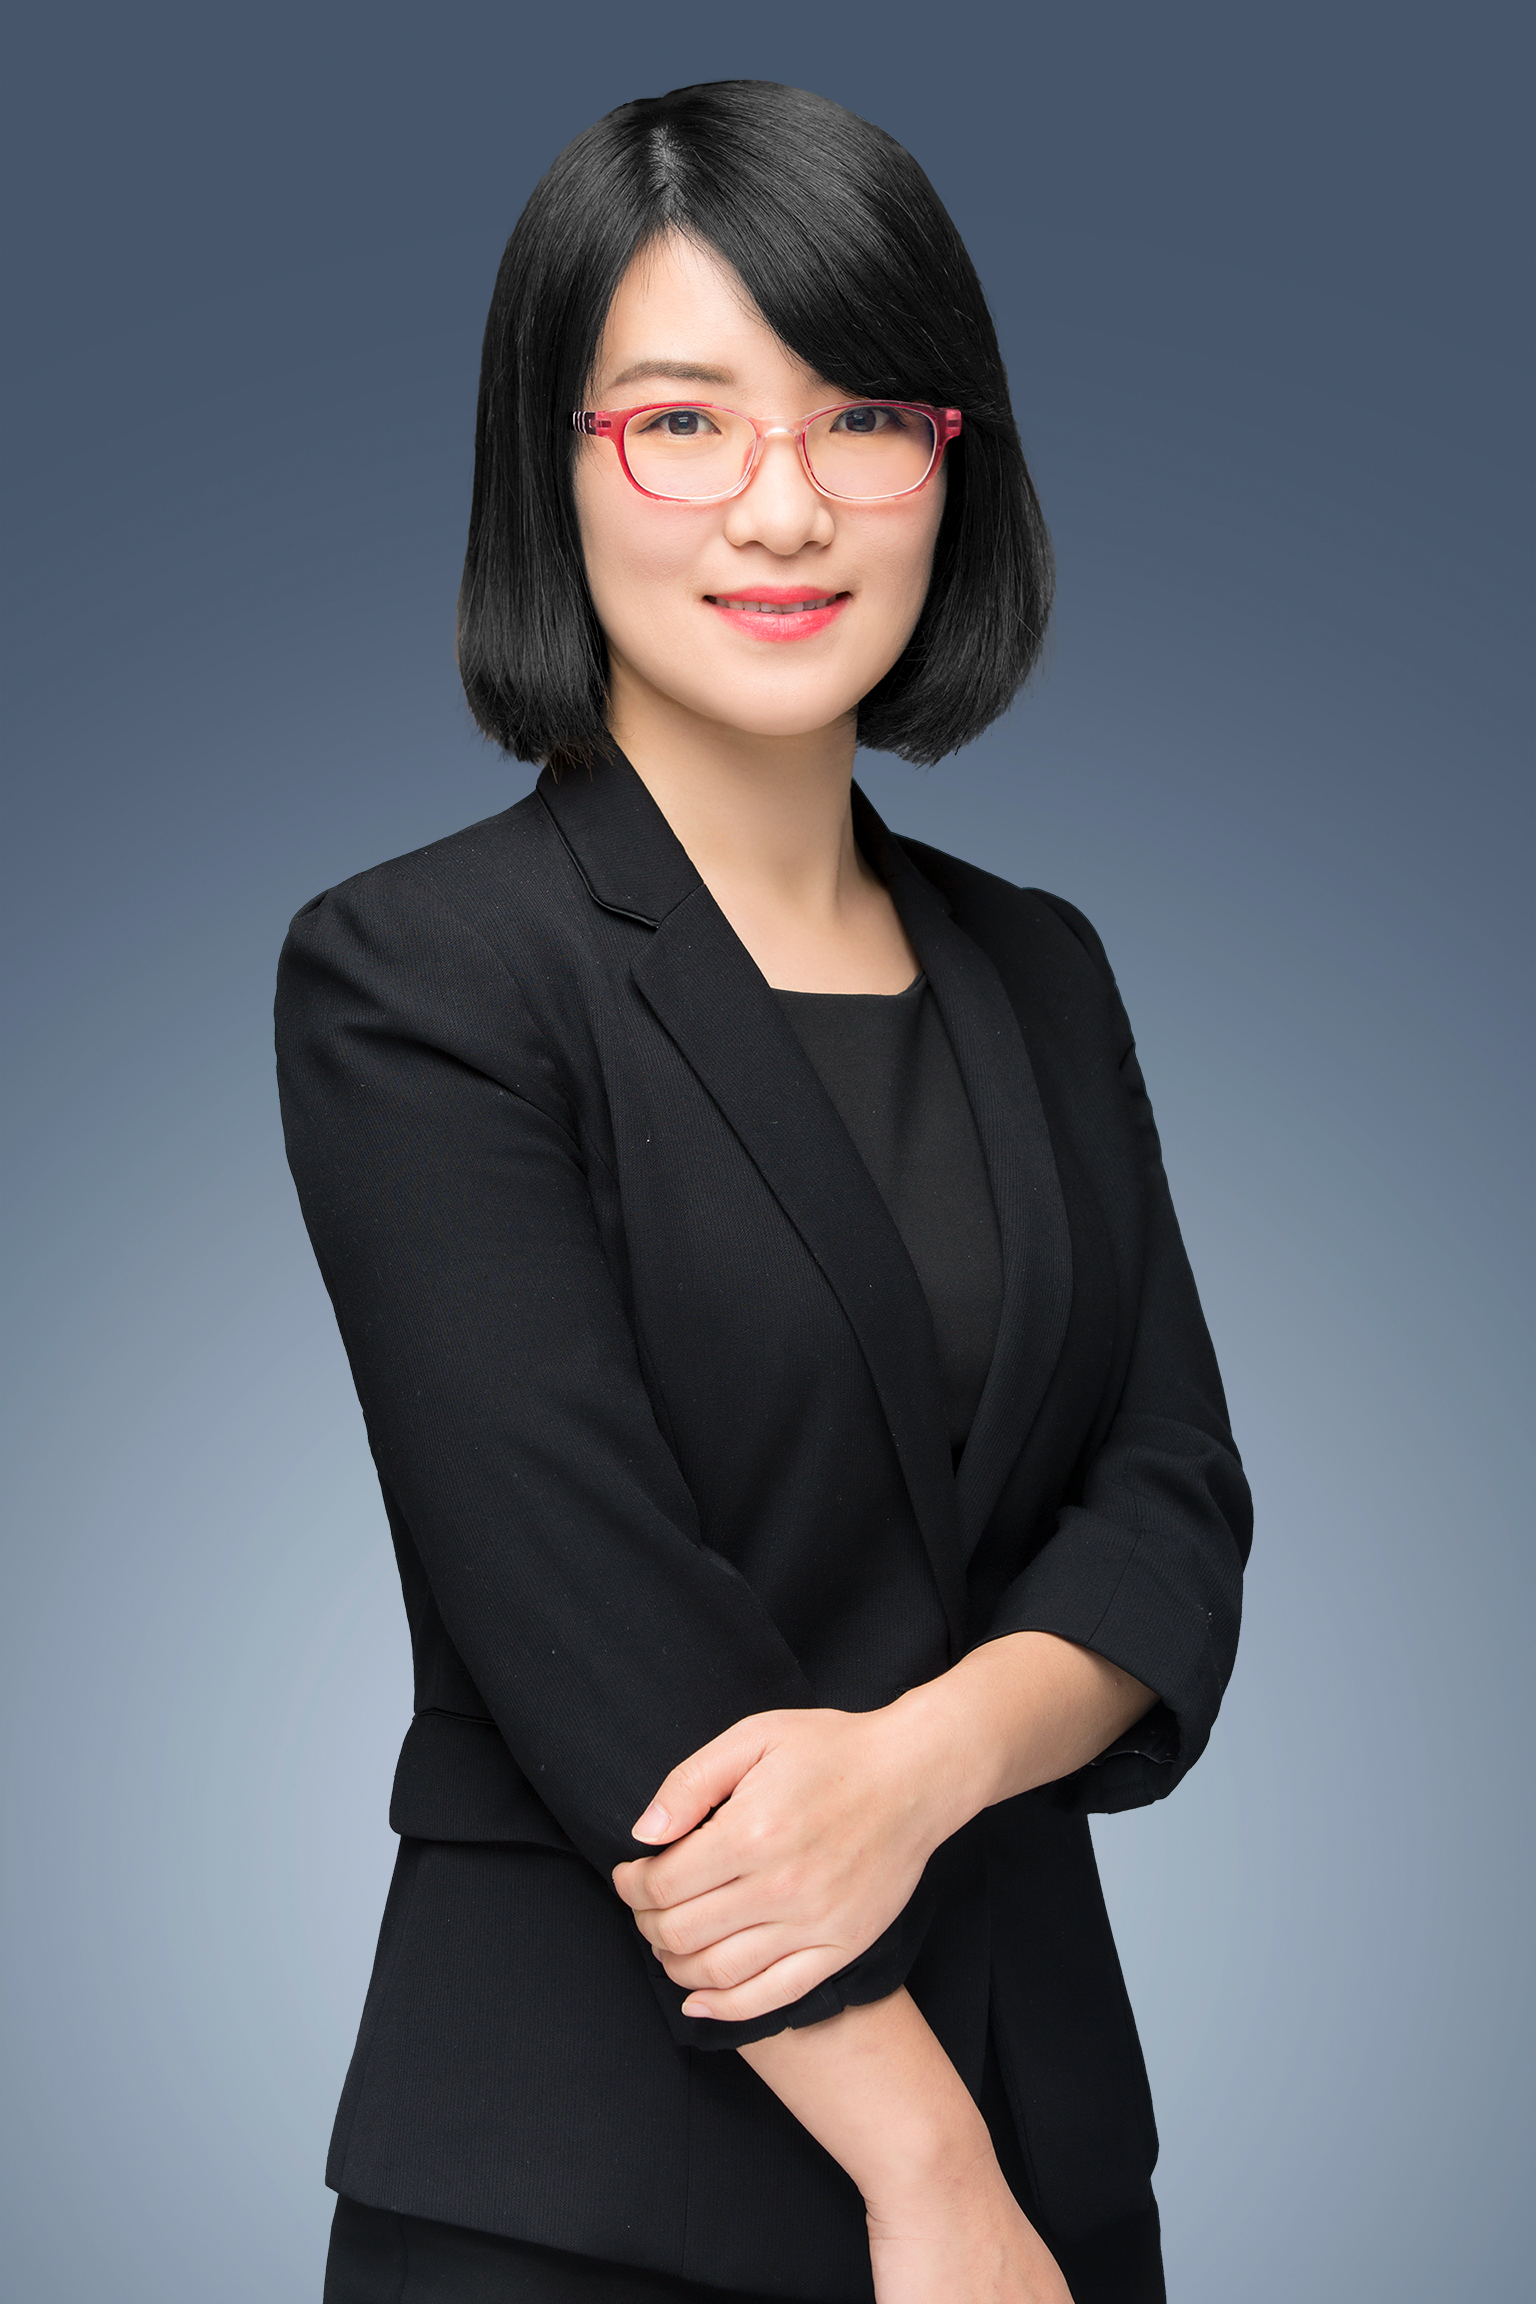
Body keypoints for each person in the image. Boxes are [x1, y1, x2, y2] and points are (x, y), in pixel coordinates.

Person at [277, 79, 1251, 2304]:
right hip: (584, 2191)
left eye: (864, 419)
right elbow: (589, 1612)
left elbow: (1172, 1500)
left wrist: (922, 1766)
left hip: (1051, 2145)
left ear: (954, 466)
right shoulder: (417, 973)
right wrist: (927, 2168)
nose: (786, 507)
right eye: (682, 424)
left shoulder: (1042, 966)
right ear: (552, 468)